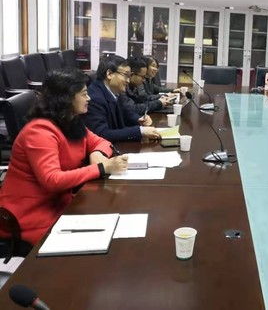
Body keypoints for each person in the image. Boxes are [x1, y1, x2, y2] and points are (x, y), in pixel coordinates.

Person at [0, 68, 128, 246]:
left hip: (61, 204)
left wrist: (97, 153)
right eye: (84, 94)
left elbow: (101, 142)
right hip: (31, 217)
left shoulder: (70, 121)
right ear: (66, 98)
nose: (89, 98)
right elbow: (52, 180)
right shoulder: (39, 131)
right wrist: (101, 168)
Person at [85, 55, 161, 142]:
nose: (128, 80)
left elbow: (126, 113)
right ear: (109, 74)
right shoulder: (94, 98)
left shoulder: (114, 91)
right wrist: (140, 131)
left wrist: (139, 119)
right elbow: (102, 134)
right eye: (126, 75)